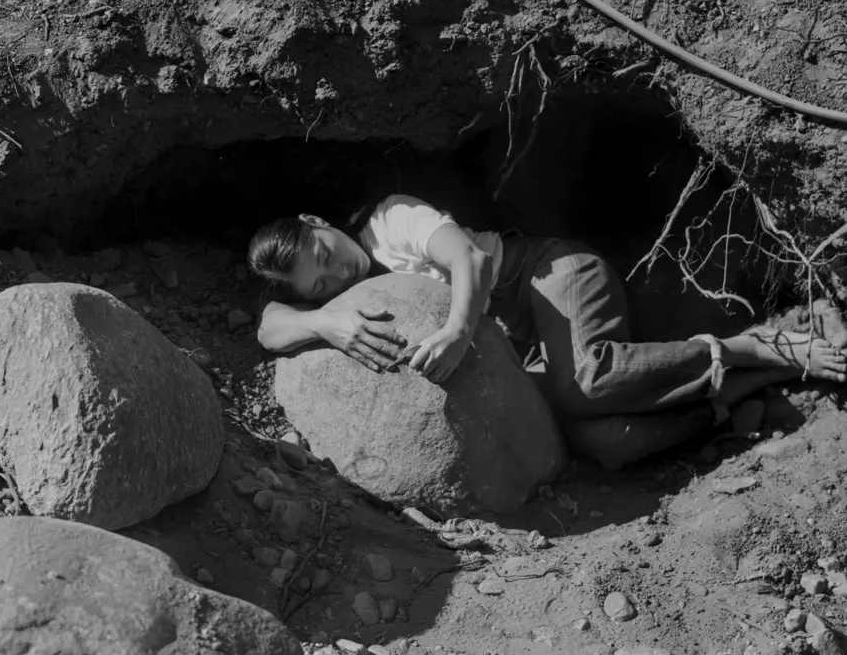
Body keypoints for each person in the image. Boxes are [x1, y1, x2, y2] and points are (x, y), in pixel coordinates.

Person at [248, 193, 846, 465]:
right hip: (526, 347)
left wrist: (458, 329)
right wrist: (327, 320)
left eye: (324, 252)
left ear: (315, 220)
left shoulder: (387, 221)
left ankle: (756, 343)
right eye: (319, 283)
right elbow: (270, 327)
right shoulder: (336, 298)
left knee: (583, 380)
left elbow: (471, 261)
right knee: (606, 442)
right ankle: (757, 378)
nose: (337, 271)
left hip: (546, 275)